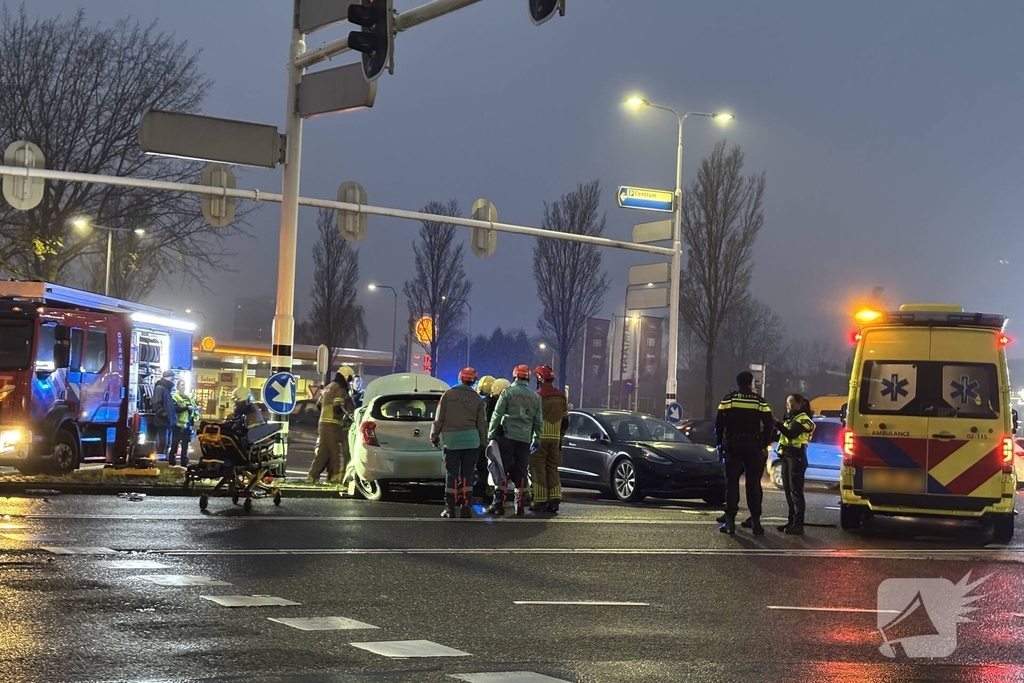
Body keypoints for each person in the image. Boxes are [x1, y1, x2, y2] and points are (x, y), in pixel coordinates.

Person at [715, 371, 774, 535]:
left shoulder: (729, 399)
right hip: (753, 445)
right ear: (751, 383)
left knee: (732, 483)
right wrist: (763, 442)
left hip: (733, 444)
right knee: (753, 483)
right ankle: (756, 522)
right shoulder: (759, 401)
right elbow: (769, 423)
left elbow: (719, 423)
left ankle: (730, 522)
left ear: (737, 383)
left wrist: (720, 442)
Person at [484, 365, 542, 517]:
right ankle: (520, 505)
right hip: (525, 438)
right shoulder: (535, 397)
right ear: (528, 377)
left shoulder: (508, 393)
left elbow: (497, 414)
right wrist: (536, 439)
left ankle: (498, 504)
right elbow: (538, 421)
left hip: (507, 437)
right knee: (521, 469)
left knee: (501, 469)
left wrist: (491, 434)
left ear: (515, 376)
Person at [431, 367, 488, 518]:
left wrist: (434, 435)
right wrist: (483, 441)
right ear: (474, 381)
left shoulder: (447, 395)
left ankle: (450, 509)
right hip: (472, 441)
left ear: (460, 378)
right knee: (468, 474)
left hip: (451, 441)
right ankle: (466, 508)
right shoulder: (477, 399)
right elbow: (482, 423)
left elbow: (439, 418)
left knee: (451, 474)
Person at [774, 394, 815, 535]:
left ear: (799, 404)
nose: (787, 405)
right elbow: (782, 436)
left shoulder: (804, 420)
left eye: (790, 402)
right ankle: (791, 521)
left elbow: (791, 434)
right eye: (787, 402)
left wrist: (777, 423)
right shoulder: (791, 419)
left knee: (796, 491)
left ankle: (798, 524)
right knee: (788, 491)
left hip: (796, 458)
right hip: (786, 457)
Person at [531, 365, 569, 514]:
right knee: (552, 467)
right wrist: (560, 438)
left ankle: (540, 500)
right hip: (555, 438)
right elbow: (566, 420)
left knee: (537, 467)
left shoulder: (537, 396)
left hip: (540, 438)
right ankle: (555, 499)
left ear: (540, 378)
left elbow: (532, 418)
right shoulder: (561, 396)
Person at [307, 370, 354, 484]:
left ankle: (312, 477)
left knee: (323, 453)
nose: (350, 382)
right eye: (350, 379)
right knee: (338, 452)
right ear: (346, 377)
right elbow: (339, 407)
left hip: (323, 424)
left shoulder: (328, 387)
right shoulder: (340, 389)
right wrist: (348, 415)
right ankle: (336, 478)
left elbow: (318, 404)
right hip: (334, 425)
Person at [470, 375, 495, 502]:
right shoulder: (495, 402)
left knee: (481, 466)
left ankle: (483, 489)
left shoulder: (478, 401)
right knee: (488, 466)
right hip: (490, 438)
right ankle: (487, 491)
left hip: (480, 438)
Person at [170, 379, 198, 466]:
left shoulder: (188, 397)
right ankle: (172, 462)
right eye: (182, 385)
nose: (183, 386)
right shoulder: (175, 397)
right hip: (177, 425)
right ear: (177, 387)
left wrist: (195, 409)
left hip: (187, 425)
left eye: (184, 384)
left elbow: (193, 408)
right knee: (174, 444)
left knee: (185, 446)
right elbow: (175, 409)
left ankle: (184, 462)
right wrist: (187, 408)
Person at [150, 370, 176, 459]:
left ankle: (163, 461)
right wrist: (165, 414)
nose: (173, 379)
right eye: (172, 377)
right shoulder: (161, 388)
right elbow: (156, 405)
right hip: (163, 421)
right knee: (163, 442)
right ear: (169, 377)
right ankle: (160, 462)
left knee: (166, 442)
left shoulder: (165, 389)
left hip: (166, 421)